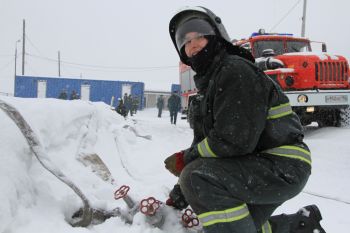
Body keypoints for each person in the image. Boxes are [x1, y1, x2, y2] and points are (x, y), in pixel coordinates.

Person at [164, 6, 326, 233]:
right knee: (239, 221)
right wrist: (177, 198)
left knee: (197, 178)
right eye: (185, 40)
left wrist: (186, 166)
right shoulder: (210, 86)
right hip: (261, 164)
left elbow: (233, 141)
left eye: (198, 35)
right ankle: (301, 226)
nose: (192, 44)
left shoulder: (235, 71)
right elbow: (205, 146)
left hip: (282, 165)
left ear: (216, 35)